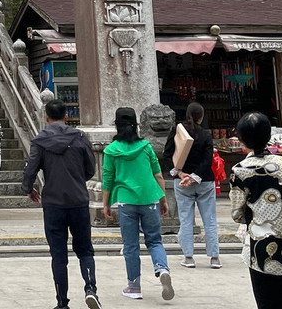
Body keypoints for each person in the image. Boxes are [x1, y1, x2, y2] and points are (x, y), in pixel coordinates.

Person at [23, 99, 100, 309]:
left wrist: (29, 188)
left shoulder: (40, 141)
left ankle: (62, 302)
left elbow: (31, 169)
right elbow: (90, 169)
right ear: (66, 116)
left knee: (58, 254)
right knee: (85, 250)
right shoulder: (80, 137)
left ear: (46, 117)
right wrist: (76, 179)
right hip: (78, 200)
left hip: (53, 202)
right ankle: (90, 288)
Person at [230, 112, 282, 309]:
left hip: (262, 249)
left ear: (242, 139)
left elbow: (237, 213)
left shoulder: (240, 170)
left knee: (265, 304)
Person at [102, 107, 174, 302]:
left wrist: (106, 204)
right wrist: (163, 199)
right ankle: (162, 269)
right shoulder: (146, 147)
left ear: (116, 125)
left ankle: (134, 287)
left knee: (131, 245)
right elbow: (157, 174)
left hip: (126, 201)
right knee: (154, 240)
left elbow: (107, 179)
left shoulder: (111, 151)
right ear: (137, 125)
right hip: (149, 198)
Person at [163, 102, 220, 269]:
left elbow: (167, 155)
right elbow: (208, 161)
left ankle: (188, 257)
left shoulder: (177, 131)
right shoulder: (206, 135)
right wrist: (194, 177)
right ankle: (214, 258)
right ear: (201, 117)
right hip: (204, 181)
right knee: (209, 219)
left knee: (186, 219)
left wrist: (181, 174)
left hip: (181, 181)